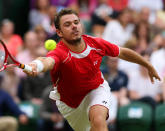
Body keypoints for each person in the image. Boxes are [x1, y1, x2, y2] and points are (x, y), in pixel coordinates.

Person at [24, 8, 160, 131]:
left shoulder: (95, 43)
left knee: (99, 121)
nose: (74, 26)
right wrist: (37, 65)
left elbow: (122, 52)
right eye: (67, 24)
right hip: (70, 105)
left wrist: (147, 65)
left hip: (96, 89)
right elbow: (47, 61)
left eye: (76, 22)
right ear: (59, 32)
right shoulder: (59, 53)